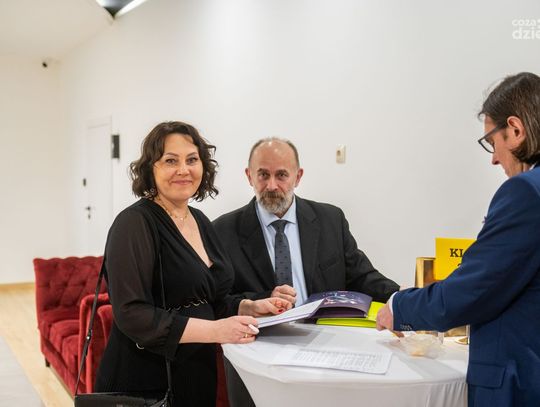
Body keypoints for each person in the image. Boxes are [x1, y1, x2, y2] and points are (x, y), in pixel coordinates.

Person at [94, 121, 291, 407]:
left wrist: (250, 306)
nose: (183, 170)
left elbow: (209, 299)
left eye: (192, 159)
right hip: (144, 380)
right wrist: (216, 331)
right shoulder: (134, 223)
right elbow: (131, 314)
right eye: (170, 161)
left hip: (195, 373)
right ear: (151, 168)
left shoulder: (200, 221)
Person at [376, 72, 540, 406]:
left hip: (520, 383)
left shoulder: (525, 192)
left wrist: (399, 306)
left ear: (515, 129)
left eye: (492, 142)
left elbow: (474, 289)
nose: (494, 158)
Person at [213, 137, 400, 406]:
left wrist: (403, 298)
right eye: (263, 175)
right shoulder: (222, 231)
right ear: (249, 176)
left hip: (325, 350)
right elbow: (219, 301)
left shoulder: (330, 219)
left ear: (298, 176)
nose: (272, 185)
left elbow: (362, 276)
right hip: (257, 355)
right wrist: (261, 300)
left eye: (281, 175)